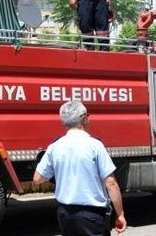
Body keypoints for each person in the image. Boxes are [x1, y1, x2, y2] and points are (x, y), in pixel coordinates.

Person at [33, 101, 127, 235]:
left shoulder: (54, 147)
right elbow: (111, 183)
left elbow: (37, 179)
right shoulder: (95, 145)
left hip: (65, 215)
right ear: (84, 119)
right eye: (88, 115)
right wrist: (120, 214)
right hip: (92, 216)